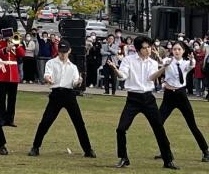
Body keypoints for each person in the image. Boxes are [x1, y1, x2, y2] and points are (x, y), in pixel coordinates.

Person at [107, 35, 178, 169]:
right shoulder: (128, 60)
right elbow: (123, 76)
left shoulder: (152, 62)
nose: (148, 50)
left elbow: (151, 78)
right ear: (138, 49)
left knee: (159, 128)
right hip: (133, 98)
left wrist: (163, 68)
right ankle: (123, 158)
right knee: (121, 129)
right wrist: (115, 69)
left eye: (149, 47)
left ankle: (168, 160)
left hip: (148, 98)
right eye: (145, 48)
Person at [28, 39, 95, 158]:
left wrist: (78, 82)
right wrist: (48, 79)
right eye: (60, 52)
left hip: (69, 95)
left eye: (64, 52)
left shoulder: (73, 67)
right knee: (45, 122)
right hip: (56, 94)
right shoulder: (51, 63)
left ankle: (88, 149)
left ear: (69, 51)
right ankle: (35, 147)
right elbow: (47, 74)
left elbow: (74, 82)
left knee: (79, 123)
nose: (62, 54)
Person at [153, 40, 209, 162]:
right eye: (174, 49)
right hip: (168, 96)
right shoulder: (168, 61)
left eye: (179, 49)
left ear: (183, 51)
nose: (176, 51)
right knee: (158, 123)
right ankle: (165, 151)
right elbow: (162, 62)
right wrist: (158, 56)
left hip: (181, 95)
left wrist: (191, 59)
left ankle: (205, 151)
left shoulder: (185, 63)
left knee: (192, 125)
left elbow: (192, 65)